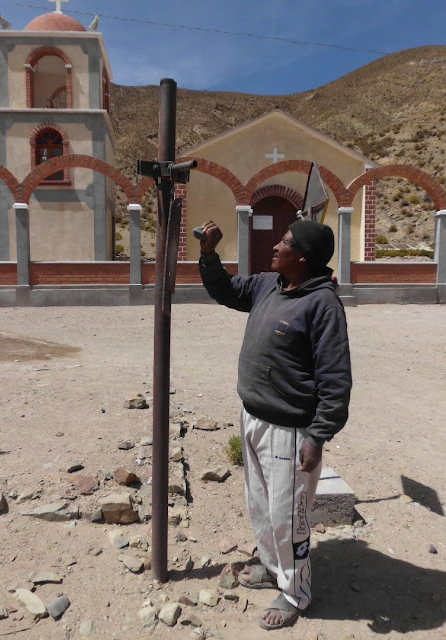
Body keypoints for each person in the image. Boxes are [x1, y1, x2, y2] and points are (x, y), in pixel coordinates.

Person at [198, 219, 352, 630]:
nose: (274, 246)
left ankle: (295, 592)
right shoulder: (269, 284)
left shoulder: (322, 305)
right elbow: (225, 291)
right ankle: (271, 566)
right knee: (261, 505)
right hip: (252, 415)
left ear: (302, 257)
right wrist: (210, 255)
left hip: (290, 429)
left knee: (289, 517)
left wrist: (318, 435)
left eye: (284, 243)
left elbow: (336, 380)